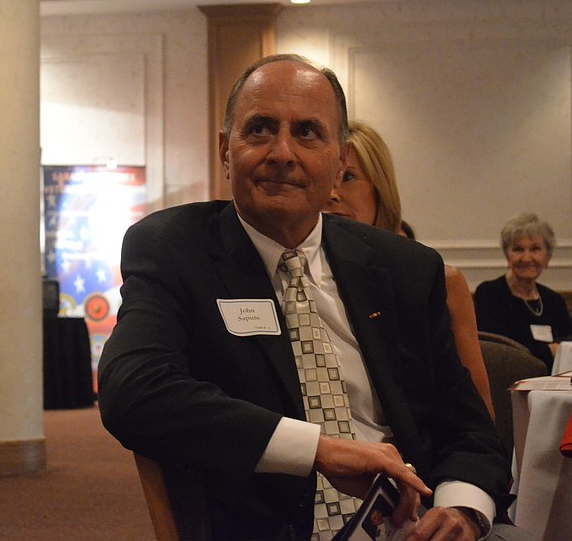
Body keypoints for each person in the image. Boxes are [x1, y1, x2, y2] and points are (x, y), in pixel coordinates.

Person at [99, 54, 516, 541]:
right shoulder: (175, 250)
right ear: (225, 151)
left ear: (340, 163)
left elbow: (471, 431)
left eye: (307, 133)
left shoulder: (404, 268)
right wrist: (317, 449)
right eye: (259, 129)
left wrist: (461, 510)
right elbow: (134, 390)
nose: (281, 151)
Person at [324, 119, 495, 420]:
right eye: (325, 178)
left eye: (348, 177)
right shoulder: (299, 280)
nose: (332, 193)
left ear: (380, 190)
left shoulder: (439, 282)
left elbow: (478, 421)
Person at [474, 212, 572, 373]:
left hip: (554, 384)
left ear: (547, 256)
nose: (526, 258)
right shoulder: (490, 294)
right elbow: (500, 351)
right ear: (507, 255)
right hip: (509, 384)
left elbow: (568, 345)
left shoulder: (553, 299)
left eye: (535, 249)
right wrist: (549, 350)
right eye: (518, 249)